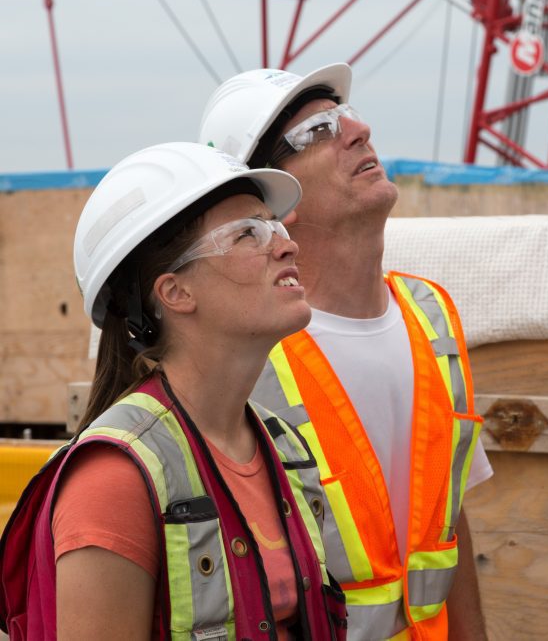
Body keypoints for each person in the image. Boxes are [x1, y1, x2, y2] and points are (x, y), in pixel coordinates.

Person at [0, 143, 347, 639]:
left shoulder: (282, 445)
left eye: (276, 227)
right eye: (248, 233)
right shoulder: (113, 482)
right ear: (175, 292)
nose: (286, 245)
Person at [200, 64, 492, 640]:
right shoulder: (247, 357)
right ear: (276, 202)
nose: (360, 131)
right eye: (318, 131)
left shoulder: (431, 317)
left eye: (347, 117)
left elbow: (444, 519)